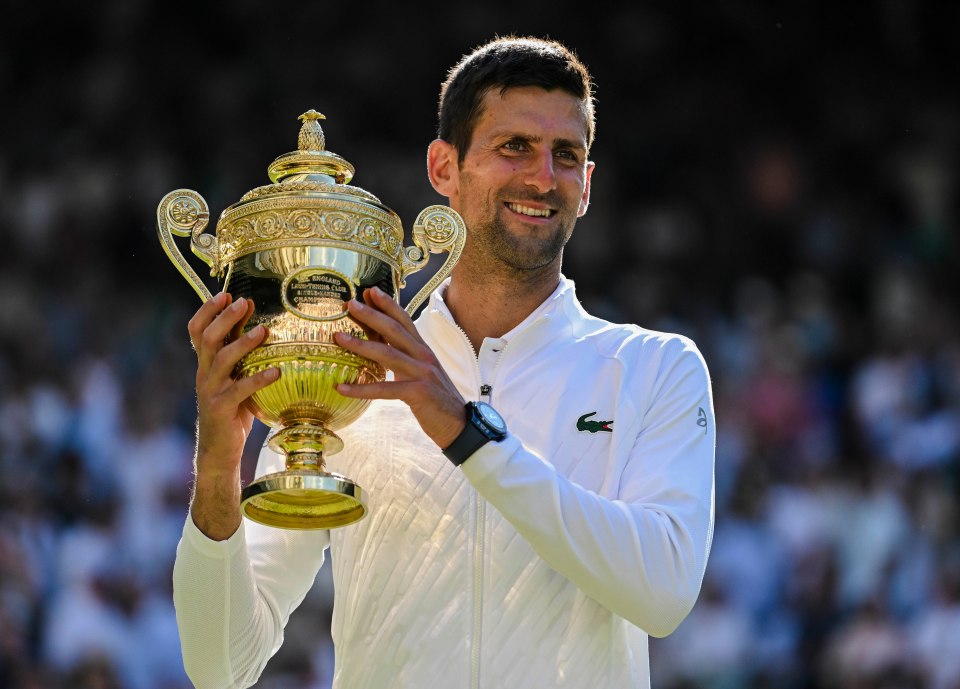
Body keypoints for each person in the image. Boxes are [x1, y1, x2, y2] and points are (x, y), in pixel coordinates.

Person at [173, 36, 716, 689]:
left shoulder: (655, 367)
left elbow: (663, 595)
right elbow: (219, 665)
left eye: (565, 156)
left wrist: (466, 431)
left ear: (588, 184)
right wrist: (215, 467)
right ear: (443, 168)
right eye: (514, 146)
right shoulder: (348, 367)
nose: (543, 177)